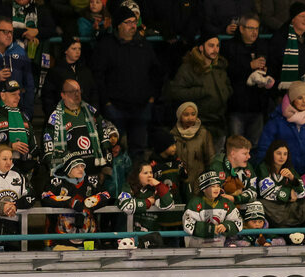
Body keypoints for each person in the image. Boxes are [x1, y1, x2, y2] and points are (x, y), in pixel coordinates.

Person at [92, 3, 160, 152]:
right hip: (116, 109)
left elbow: (156, 73)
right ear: (118, 25)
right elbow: (98, 77)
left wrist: (151, 98)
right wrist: (107, 103)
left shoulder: (144, 45)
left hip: (141, 109)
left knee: (139, 152)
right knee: (113, 151)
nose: (132, 25)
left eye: (134, 22)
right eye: (128, 22)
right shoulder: (107, 46)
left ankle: (136, 176)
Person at [165, 34, 233, 149]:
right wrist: (202, 91)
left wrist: (226, 93)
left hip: (219, 123)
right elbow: (175, 92)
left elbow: (228, 87)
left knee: (216, 163)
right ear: (201, 47)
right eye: (211, 45)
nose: (215, 49)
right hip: (198, 124)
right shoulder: (188, 68)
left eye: (217, 46)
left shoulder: (219, 67)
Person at [254, 80, 305, 174]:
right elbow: (265, 146)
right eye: (299, 98)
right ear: (292, 100)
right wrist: (262, 170)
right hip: (283, 173)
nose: (304, 101)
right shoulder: (277, 120)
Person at [41, 154, 111, 250]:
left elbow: (106, 195)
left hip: (88, 239)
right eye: (76, 167)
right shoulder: (56, 182)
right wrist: (70, 202)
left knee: (90, 262)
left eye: (82, 166)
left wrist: (90, 202)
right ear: (67, 168)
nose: (81, 169)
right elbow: (45, 197)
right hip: (60, 241)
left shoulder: (90, 181)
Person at [224, 14, 273, 147]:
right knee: (236, 146)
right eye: (251, 28)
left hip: (257, 106)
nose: (254, 32)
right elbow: (228, 71)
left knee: (256, 147)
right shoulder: (229, 46)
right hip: (237, 106)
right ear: (241, 29)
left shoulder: (263, 46)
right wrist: (250, 65)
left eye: (257, 29)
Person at [43, 78, 110, 171]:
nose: (76, 94)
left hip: (94, 169)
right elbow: (49, 149)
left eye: (78, 90)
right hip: (70, 172)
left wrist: (106, 165)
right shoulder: (55, 118)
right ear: (63, 95)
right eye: (72, 91)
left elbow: (104, 137)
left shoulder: (91, 112)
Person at [0, 79, 38, 174]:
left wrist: (28, 156)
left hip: (22, 171)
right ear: (3, 95)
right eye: (13, 94)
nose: (18, 97)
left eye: (18, 94)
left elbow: (34, 147)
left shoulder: (23, 118)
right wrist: (9, 146)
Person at [267, 2, 305, 90]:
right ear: (293, 19)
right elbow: (273, 67)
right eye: (302, 16)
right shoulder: (280, 38)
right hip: (286, 93)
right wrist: (277, 94)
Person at [182, 170, 245, 247]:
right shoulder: (194, 203)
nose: (216, 189)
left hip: (219, 250)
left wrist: (226, 226)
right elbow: (188, 224)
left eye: (218, 186)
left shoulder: (226, 203)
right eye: (212, 186)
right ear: (204, 189)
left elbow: (238, 222)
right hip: (196, 250)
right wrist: (211, 229)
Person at [256, 139, 305, 227]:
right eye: (278, 153)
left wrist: (292, 179)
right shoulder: (263, 167)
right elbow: (268, 194)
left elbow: (302, 193)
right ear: (271, 153)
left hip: (284, 207)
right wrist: (289, 192)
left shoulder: (289, 169)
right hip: (270, 209)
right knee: (261, 203)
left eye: (285, 154)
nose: (282, 157)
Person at [170, 102, 214, 187]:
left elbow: (210, 158)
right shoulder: (173, 134)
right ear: (179, 116)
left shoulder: (204, 134)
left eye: (193, 114)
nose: (190, 118)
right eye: (186, 115)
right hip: (179, 182)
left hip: (199, 181)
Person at [208, 134, 257, 207]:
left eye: (249, 153)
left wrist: (235, 199)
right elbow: (211, 194)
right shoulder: (216, 167)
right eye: (245, 153)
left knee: (257, 206)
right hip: (220, 208)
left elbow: (253, 193)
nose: (249, 156)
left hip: (242, 206)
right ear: (233, 154)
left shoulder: (248, 167)